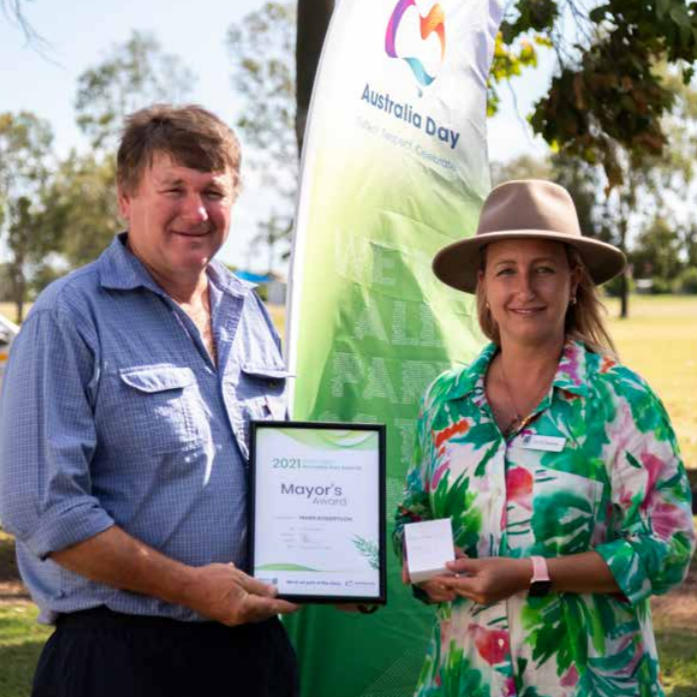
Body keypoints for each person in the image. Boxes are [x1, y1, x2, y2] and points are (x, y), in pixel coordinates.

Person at [0, 104, 300, 697]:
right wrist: (190, 587)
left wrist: (328, 571)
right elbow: (43, 507)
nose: (196, 211)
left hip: (252, 656)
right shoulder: (70, 317)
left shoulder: (251, 312)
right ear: (126, 198)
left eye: (213, 191)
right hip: (119, 660)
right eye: (174, 189)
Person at [394, 180, 695, 697]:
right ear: (483, 283)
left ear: (573, 281)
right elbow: (414, 515)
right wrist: (421, 568)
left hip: (587, 684)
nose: (525, 290)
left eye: (544, 270)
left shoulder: (621, 400)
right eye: (506, 271)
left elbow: (669, 549)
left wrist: (533, 573)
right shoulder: (445, 402)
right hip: (466, 679)